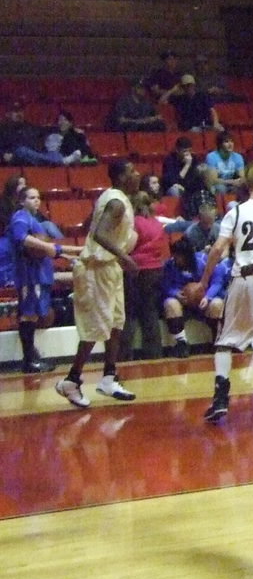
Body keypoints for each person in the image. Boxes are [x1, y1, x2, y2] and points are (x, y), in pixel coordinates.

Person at [198, 163, 253, 424]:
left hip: (245, 279)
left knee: (225, 341)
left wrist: (204, 281)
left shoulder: (236, 212)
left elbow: (216, 250)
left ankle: (221, 399)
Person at [54, 159, 140, 409]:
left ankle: (109, 378)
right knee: (96, 327)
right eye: (132, 169)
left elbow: (87, 223)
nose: (137, 174)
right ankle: (71, 380)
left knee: (115, 323)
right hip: (97, 269)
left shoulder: (112, 197)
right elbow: (99, 234)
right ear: (122, 176)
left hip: (108, 268)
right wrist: (126, 257)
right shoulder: (115, 202)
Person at [7, 185, 81, 372]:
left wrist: (68, 254)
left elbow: (49, 248)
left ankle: (32, 355)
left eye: (38, 197)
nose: (36, 200)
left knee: (31, 314)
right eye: (31, 197)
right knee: (28, 314)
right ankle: (29, 360)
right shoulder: (21, 218)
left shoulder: (34, 220)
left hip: (39, 273)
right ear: (22, 201)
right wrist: (48, 248)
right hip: (30, 275)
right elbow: (21, 238)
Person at [120, 192, 170, 361]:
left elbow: (129, 245)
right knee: (150, 313)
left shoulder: (135, 223)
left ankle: (124, 354)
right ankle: (154, 353)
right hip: (156, 269)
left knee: (130, 314)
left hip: (137, 270)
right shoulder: (156, 223)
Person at [161, 236, 220, 359]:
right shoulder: (169, 265)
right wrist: (175, 293)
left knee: (217, 303)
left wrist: (207, 297)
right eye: (174, 255)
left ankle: (217, 341)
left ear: (187, 256)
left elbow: (216, 282)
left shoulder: (203, 261)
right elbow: (164, 285)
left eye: (178, 256)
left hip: (202, 301)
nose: (175, 259)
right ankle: (181, 343)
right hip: (182, 302)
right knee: (170, 303)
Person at [204, 130, 246, 197]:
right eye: (226, 142)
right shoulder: (211, 157)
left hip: (231, 185)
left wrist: (239, 181)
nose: (230, 144)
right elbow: (213, 180)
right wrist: (232, 182)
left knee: (241, 187)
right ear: (220, 144)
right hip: (217, 186)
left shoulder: (238, 157)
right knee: (221, 188)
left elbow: (242, 177)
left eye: (232, 141)